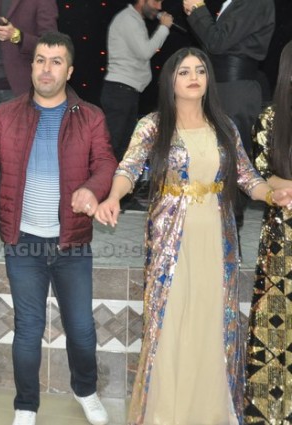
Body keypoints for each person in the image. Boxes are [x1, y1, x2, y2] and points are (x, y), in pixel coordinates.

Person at [95, 47, 292, 424]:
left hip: (216, 238)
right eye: (184, 71)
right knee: (170, 322)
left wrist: (272, 195)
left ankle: (210, 412)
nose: (193, 77)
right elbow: (128, 168)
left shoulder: (224, 125)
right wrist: (113, 197)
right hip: (171, 239)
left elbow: (247, 176)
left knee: (210, 320)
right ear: (170, 79)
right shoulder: (153, 125)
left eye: (200, 70)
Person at [0, 32, 115, 425]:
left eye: (56, 61)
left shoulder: (90, 116)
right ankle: (26, 404)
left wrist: (92, 190)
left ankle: (85, 390)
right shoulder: (8, 114)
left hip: (72, 242)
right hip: (22, 242)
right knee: (28, 329)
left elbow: (106, 162)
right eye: (40, 60)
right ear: (31, 65)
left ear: (69, 70)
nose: (46, 69)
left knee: (81, 329)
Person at [183, 0, 275, 236]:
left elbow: (217, 41)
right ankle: (211, 232)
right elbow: (215, 44)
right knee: (211, 163)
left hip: (234, 91)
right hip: (221, 89)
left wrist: (198, 10)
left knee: (231, 166)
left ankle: (229, 238)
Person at [0, 0, 58, 236]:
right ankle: (4, 216)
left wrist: (17, 36)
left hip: (19, 88)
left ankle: (29, 216)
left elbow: (52, 44)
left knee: (24, 156)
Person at [245, 40, 292, 423]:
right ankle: (270, 414)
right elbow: (260, 173)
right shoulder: (272, 117)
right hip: (282, 241)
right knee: (276, 334)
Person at [101, 0, 173, 211]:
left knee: (123, 147)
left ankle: (119, 196)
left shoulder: (134, 20)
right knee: (113, 146)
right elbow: (144, 51)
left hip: (127, 91)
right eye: (156, 1)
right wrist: (164, 28)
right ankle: (102, 193)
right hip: (119, 91)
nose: (159, 7)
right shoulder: (128, 19)